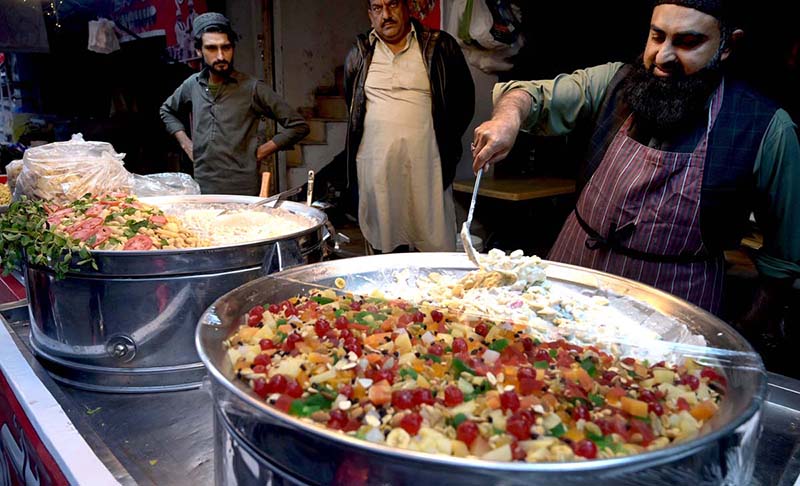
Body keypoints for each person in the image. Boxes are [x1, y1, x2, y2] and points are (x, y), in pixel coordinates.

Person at [471, 0, 800, 328]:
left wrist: (748, 332)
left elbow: (784, 260)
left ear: (728, 46)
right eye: (657, 37)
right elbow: (529, 95)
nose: (663, 56)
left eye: (687, 42)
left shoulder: (767, 127)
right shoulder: (617, 82)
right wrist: (508, 119)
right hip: (576, 273)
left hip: (674, 304)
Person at [345, 0, 475, 253]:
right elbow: (353, 103)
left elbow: (464, 102)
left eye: (392, 4)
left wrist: (439, 143)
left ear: (407, 8)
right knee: (384, 251)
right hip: (376, 169)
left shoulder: (439, 45)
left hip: (428, 166)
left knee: (434, 246)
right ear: (369, 14)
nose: (386, 15)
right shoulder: (360, 53)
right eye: (377, 8)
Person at [160, 12, 309, 195]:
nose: (221, 56)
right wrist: (187, 145)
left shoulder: (252, 88)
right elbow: (167, 110)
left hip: (242, 188)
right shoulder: (193, 84)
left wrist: (260, 152)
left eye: (227, 48)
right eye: (212, 48)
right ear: (199, 50)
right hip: (203, 184)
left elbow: (298, 126)